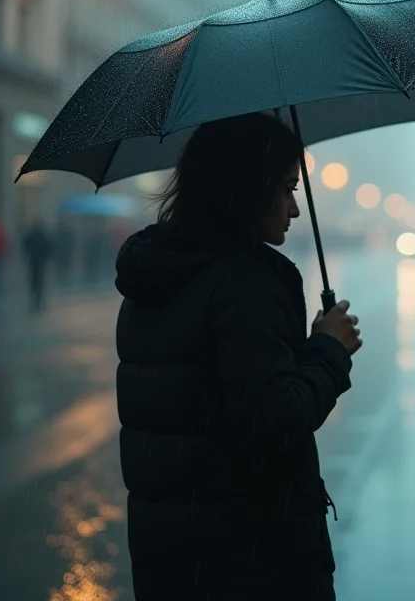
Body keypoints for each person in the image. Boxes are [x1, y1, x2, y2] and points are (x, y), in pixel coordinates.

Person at [115, 113, 362, 600]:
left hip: (174, 563)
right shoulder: (245, 282)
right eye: (288, 188)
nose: (294, 208)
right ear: (250, 187)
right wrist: (329, 352)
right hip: (250, 562)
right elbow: (274, 422)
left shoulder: (152, 277)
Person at [22, 219, 52, 310]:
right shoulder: (43, 235)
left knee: (34, 279)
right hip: (40, 261)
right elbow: (48, 247)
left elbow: (25, 244)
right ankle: (38, 298)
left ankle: (34, 298)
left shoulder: (31, 234)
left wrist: (29, 254)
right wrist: (46, 256)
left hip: (34, 260)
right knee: (39, 280)